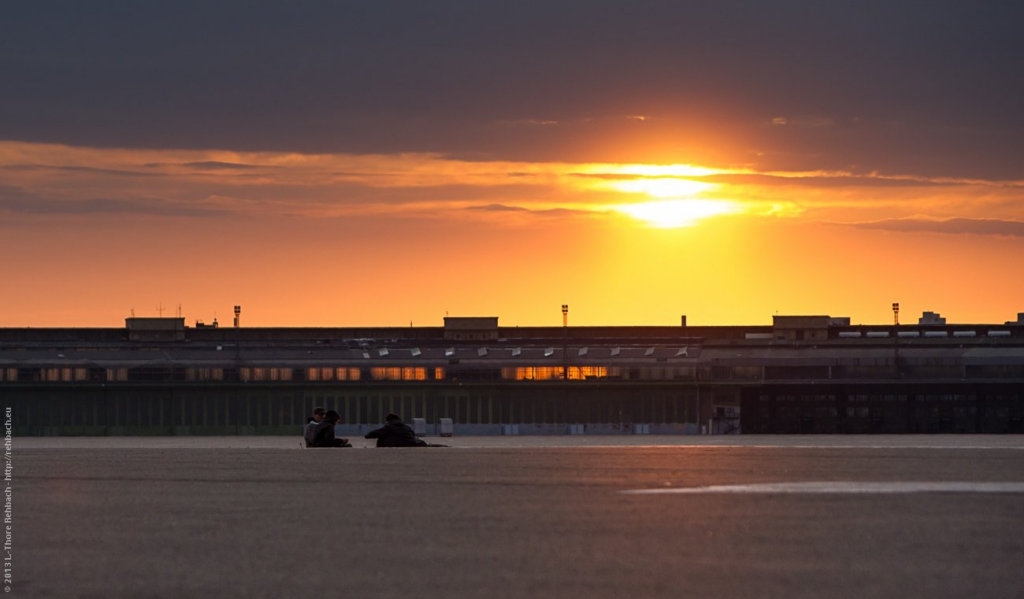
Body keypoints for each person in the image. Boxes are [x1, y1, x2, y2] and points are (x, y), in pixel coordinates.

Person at [365, 413, 439, 447]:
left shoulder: (388, 428)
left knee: (382, 436)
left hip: (397, 445)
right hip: (412, 444)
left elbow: (372, 434)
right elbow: (413, 436)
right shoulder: (407, 427)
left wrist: (367, 435)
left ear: (388, 421)